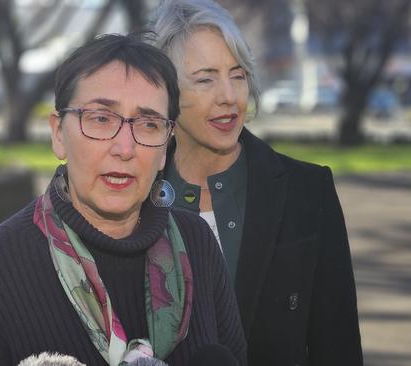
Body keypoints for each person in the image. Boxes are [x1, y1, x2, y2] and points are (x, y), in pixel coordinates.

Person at [0, 34, 246, 366]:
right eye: (100, 119)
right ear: (58, 134)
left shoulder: (197, 243)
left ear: (165, 148)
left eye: (149, 124)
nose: (125, 148)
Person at [148, 1, 363, 364]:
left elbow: (338, 347)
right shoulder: (135, 194)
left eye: (237, 74)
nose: (229, 97)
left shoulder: (309, 192)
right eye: (205, 79)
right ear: (166, 91)